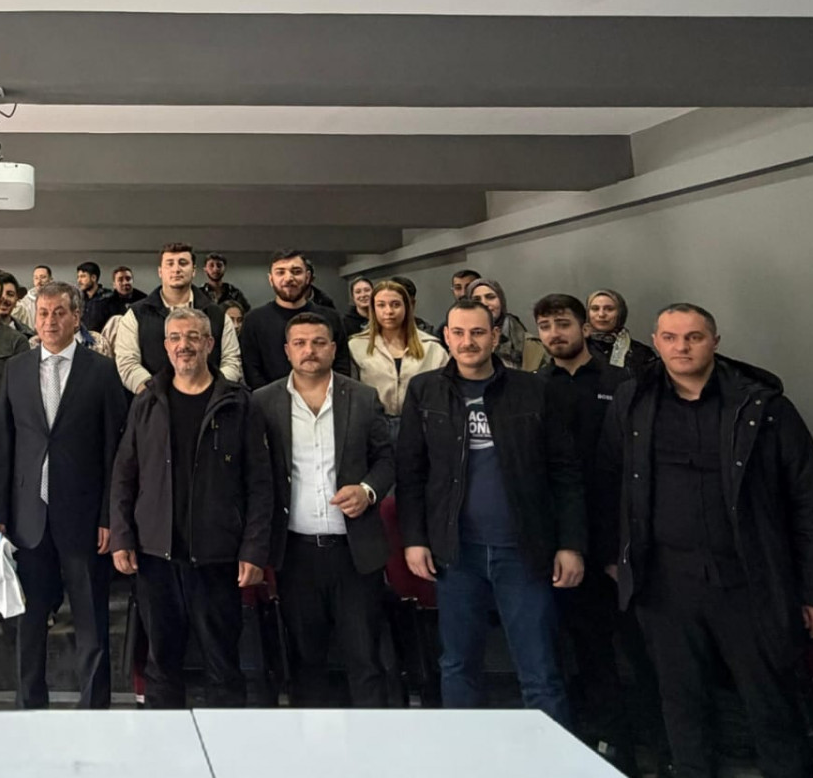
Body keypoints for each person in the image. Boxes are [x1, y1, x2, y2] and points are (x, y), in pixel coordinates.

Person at [601, 305, 813, 778]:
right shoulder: (633, 402)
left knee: (773, 712)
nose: (681, 347)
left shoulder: (764, 408)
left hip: (750, 583)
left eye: (693, 337)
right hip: (665, 585)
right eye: (670, 337)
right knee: (682, 708)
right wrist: (616, 559)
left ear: (715, 340)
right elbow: (608, 482)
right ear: (655, 342)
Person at [396, 299, 584, 726]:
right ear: (446, 337)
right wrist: (414, 539)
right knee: (458, 664)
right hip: (456, 552)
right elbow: (411, 473)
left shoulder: (534, 390)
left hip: (523, 551)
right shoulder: (425, 391)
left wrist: (571, 544)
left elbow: (565, 473)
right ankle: (466, 758)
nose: (468, 342)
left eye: (478, 332)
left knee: (539, 669)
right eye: (459, 333)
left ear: (495, 336)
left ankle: (552, 759)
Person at [109, 309, 270, 709]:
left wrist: (253, 549)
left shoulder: (239, 403)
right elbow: (125, 474)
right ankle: (166, 744)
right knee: (161, 665)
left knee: (223, 665)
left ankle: (225, 743)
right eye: (176, 337)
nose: (185, 345)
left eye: (194, 337)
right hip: (156, 556)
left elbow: (260, 483)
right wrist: (122, 536)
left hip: (218, 557)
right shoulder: (147, 401)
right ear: (165, 346)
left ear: (210, 344)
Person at [0, 283, 125, 709]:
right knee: (28, 623)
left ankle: (93, 709)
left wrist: (110, 516)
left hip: (84, 518)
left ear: (77, 317)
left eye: (59, 312)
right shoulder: (17, 369)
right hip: (28, 518)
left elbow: (115, 451)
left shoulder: (101, 370)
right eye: (43, 313)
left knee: (91, 622)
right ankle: (30, 708)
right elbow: (2, 445)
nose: (50, 321)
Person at [254, 311, 394, 707]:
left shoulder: (362, 398)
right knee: (304, 664)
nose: (309, 351)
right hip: (295, 553)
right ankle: (310, 741)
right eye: (300, 343)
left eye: (318, 342)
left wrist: (368, 491)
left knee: (366, 660)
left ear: (333, 348)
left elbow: (387, 460)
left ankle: (370, 739)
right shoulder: (263, 402)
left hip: (354, 552)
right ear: (287, 350)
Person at [533, 293, 635, 771]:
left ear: (584, 328)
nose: (555, 334)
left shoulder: (621, 383)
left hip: (615, 532)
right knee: (575, 643)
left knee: (626, 644)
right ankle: (589, 735)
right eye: (546, 326)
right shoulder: (533, 388)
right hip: (559, 536)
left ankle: (634, 741)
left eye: (563, 323)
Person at [115, 244, 241, 393]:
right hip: (153, 401)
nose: (176, 269)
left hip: (211, 401)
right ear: (160, 271)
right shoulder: (135, 315)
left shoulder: (218, 315)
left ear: (193, 270)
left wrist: (212, 393)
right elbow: (127, 363)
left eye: (183, 263)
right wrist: (154, 395)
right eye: (170, 264)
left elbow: (231, 361)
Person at [238, 249, 352, 390]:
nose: (288, 278)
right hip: (270, 400)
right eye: (280, 272)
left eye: (296, 271)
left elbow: (342, 366)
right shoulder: (253, 321)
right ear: (271, 279)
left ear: (307, 277)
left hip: (326, 398)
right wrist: (272, 399)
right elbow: (252, 372)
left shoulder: (331, 318)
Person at [348, 279, 449, 420]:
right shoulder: (356, 346)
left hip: (420, 422)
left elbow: (444, 392)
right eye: (381, 305)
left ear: (407, 307)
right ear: (373, 309)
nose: (389, 311)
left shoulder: (432, 347)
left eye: (396, 304)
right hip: (373, 423)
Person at [470, 279, 541, 370]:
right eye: (476, 300)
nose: (484, 303)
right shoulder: (460, 343)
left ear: (501, 301)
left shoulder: (529, 344)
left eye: (490, 297)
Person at [585, 289, 658, 373]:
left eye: (609, 309)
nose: (601, 314)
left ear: (621, 313)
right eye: (595, 309)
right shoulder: (578, 349)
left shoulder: (641, 353)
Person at [75, 262, 107, 331]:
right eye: (78, 277)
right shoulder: (78, 298)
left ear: (93, 278)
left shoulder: (108, 298)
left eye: (83, 276)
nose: (79, 280)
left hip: (102, 336)